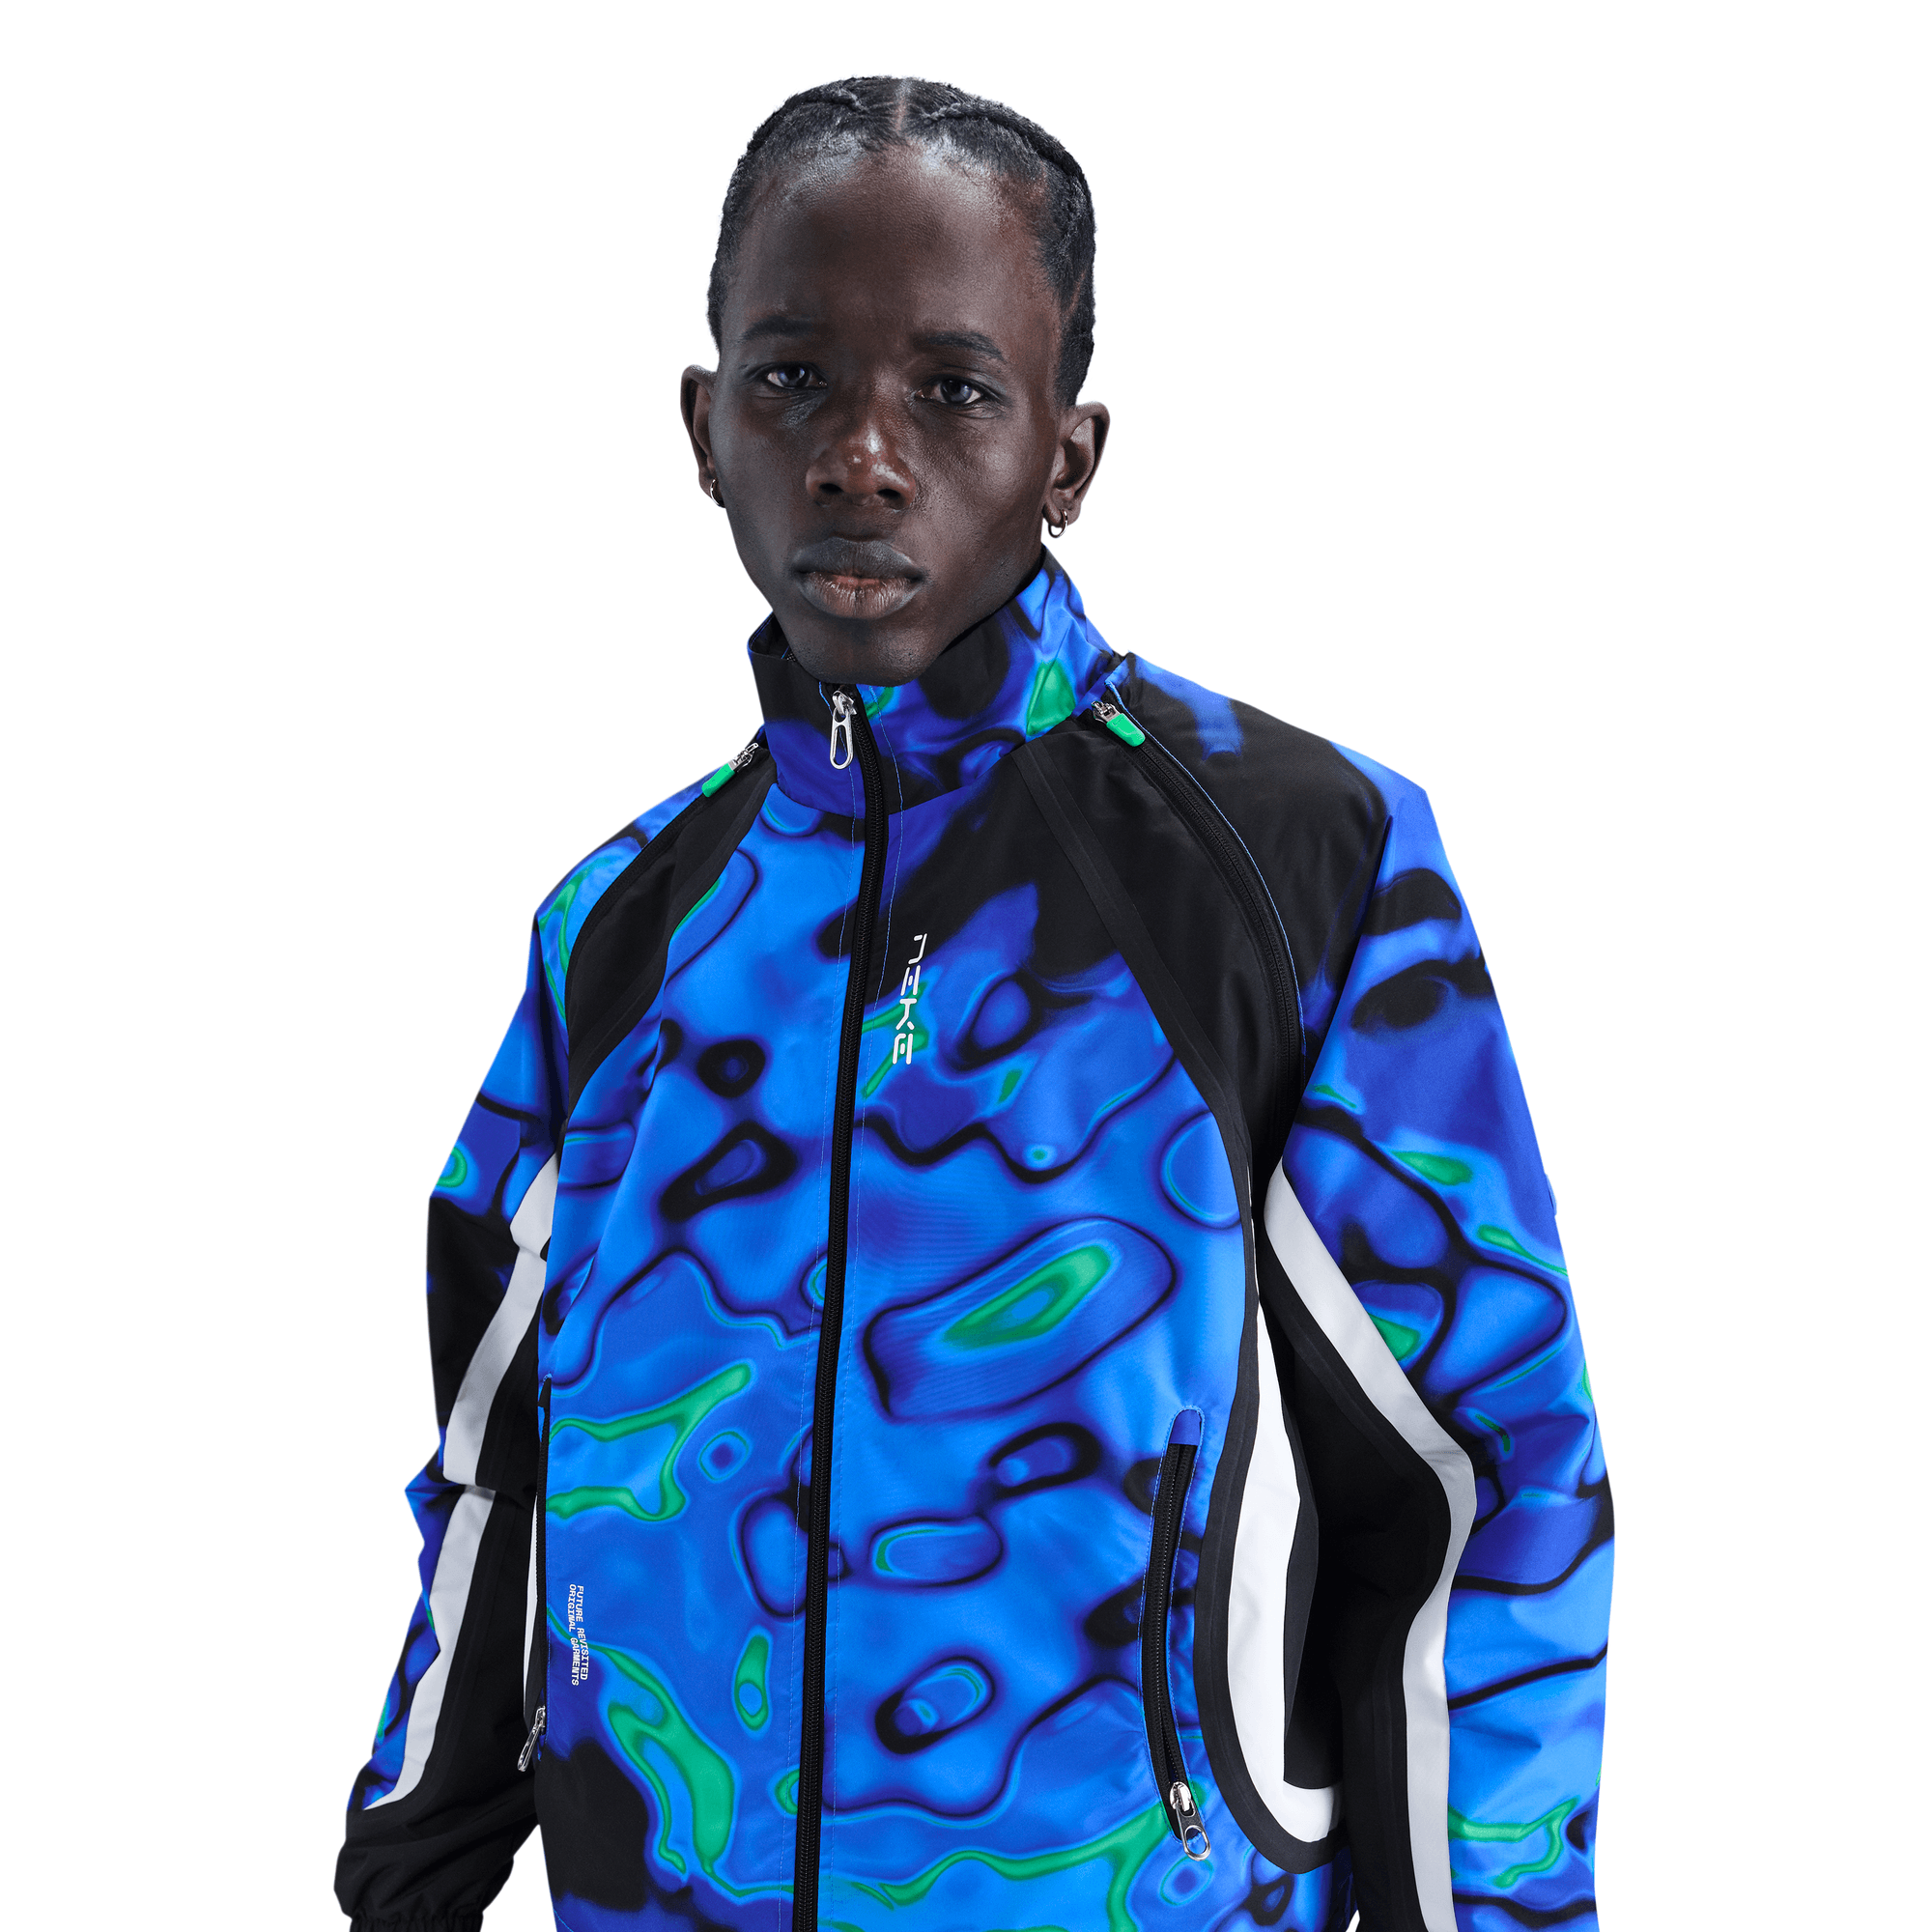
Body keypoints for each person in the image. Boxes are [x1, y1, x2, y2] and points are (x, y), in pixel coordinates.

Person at [335, 76, 1610, 1932]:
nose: (861, 456)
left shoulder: (1292, 861)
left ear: (1067, 457)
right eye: (793, 379)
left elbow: (1481, 1477)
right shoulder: (619, 929)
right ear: (703, 426)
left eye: (952, 391)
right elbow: (490, 1470)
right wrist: (407, 1883)